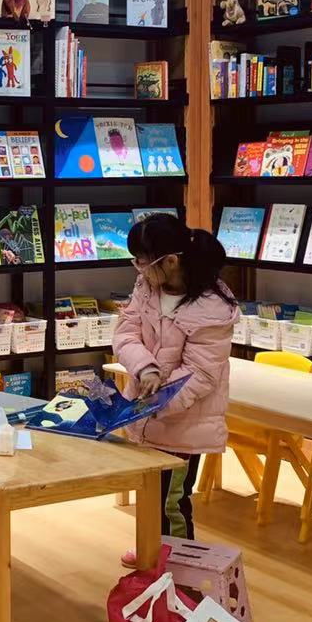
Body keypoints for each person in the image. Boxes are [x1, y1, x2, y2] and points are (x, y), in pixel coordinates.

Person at [112, 213, 240, 564]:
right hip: (147, 412)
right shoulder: (147, 287)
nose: (138, 269)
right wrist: (146, 368)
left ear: (170, 261)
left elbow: (201, 374)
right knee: (150, 492)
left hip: (185, 422)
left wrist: (157, 400)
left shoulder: (212, 308)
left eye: (142, 261)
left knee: (173, 501)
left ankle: (178, 567)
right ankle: (152, 552)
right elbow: (126, 333)